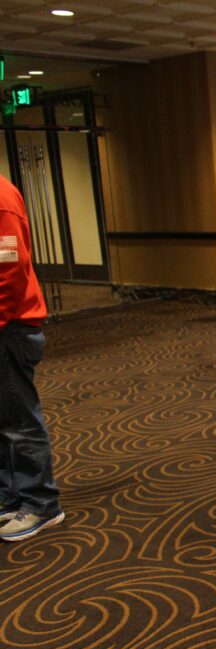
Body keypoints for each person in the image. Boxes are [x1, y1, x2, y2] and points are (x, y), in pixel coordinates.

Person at [0, 175, 64, 543]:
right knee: (4, 417)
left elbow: (8, 270)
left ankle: (40, 502)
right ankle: (12, 497)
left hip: (10, 325)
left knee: (19, 420)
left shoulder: (2, 197)